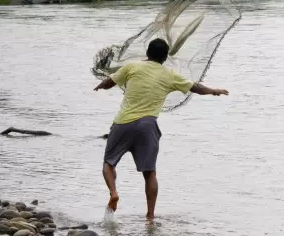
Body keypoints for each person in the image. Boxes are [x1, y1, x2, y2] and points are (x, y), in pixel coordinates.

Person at [93, 38, 229, 219]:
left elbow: (110, 82)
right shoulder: (170, 75)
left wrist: (100, 86)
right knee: (150, 173)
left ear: (147, 53)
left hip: (123, 123)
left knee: (109, 163)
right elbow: (195, 87)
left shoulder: (132, 67)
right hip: (148, 126)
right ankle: (150, 217)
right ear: (165, 58)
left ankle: (114, 193)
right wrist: (213, 90)